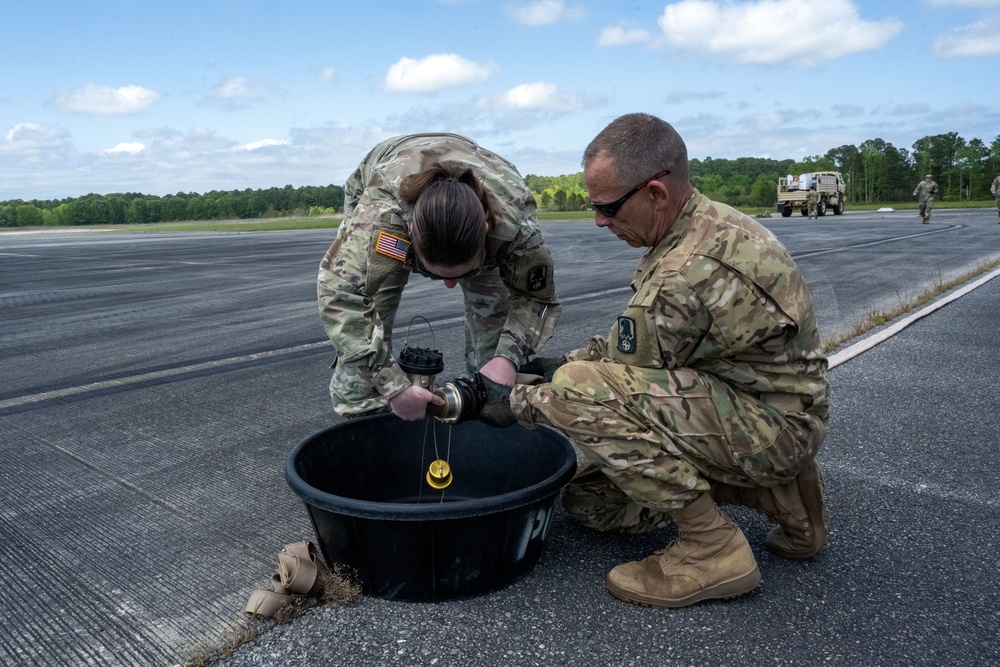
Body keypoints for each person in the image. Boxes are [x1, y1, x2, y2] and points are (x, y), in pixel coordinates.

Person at [468, 113, 830, 608]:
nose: (599, 221)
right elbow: (632, 350)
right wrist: (546, 366)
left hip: (772, 425)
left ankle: (712, 549)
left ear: (656, 194)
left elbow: (599, 385)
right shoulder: (701, 226)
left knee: (576, 389)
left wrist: (518, 401)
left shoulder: (686, 272)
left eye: (608, 207)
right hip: (756, 404)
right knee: (590, 503)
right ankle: (774, 492)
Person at [317, 133, 561, 420]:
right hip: (385, 173)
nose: (449, 285)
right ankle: (369, 422)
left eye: (462, 274)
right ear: (410, 237)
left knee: (496, 358)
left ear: (485, 230)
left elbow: (535, 297)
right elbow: (341, 296)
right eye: (439, 274)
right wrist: (393, 386)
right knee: (364, 344)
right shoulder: (383, 218)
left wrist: (507, 358)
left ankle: (484, 410)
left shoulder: (515, 225)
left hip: (492, 205)